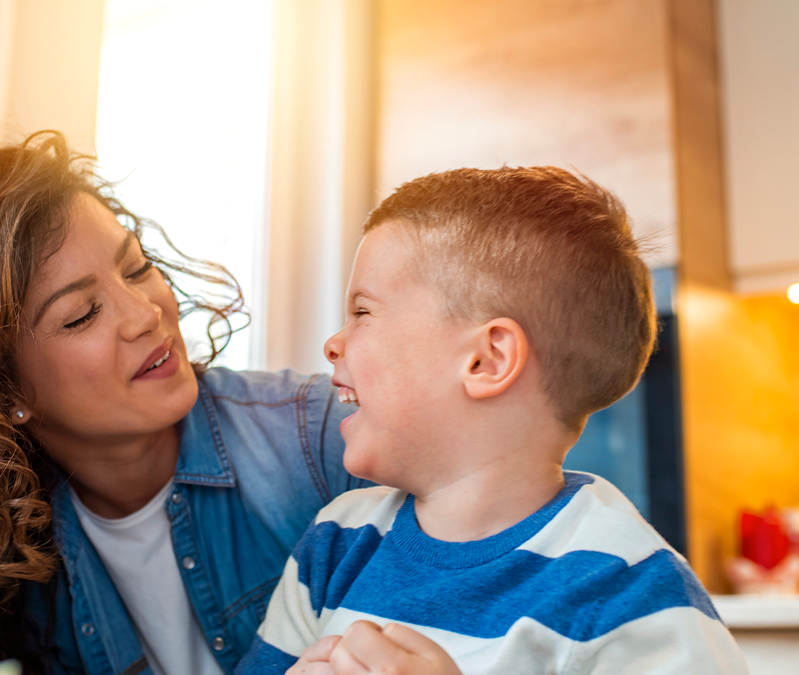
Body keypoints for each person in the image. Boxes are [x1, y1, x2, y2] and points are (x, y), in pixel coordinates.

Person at [0, 131, 370, 675]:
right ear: (0, 393)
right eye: (80, 315)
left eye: (136, 270)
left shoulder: (325, 439)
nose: (147, 315)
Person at [236, 168, 749, 675]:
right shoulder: (338, 540)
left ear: (487, 360)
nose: (334, 343)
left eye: (363, 312)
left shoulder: (631, 592)